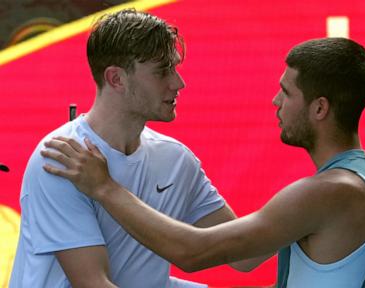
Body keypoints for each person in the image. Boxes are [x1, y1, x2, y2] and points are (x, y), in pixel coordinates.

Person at [41, 37, 365, 288]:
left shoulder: (325, 193)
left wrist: (104, 187)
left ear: (320, 108)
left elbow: (192, 253)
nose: (276, 101)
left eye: (287, 92)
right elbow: (251, 263)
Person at [10, 9, 260, 288]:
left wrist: (306, 216)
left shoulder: (177, 160)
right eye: (163, 71)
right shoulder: (61, 158)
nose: (179, 83)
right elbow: (94, 284)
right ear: (116, 79)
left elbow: (243, 255)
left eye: (175, 68)